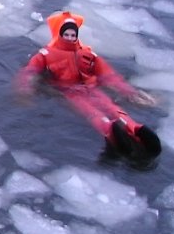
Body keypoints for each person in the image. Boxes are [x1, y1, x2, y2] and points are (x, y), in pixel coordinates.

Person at [15, 11, 161, 160]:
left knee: (113, 108)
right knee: (90, 111)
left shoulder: (87, 54)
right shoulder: (45, 55)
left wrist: (128, 91)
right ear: (60, 34)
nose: (70, 38)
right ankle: (109, 129)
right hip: (70, 92)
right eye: (67, 35)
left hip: (92, 88)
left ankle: (133, 127)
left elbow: (107, 75)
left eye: (73, 35)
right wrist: (25, 91)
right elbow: (29, 72)